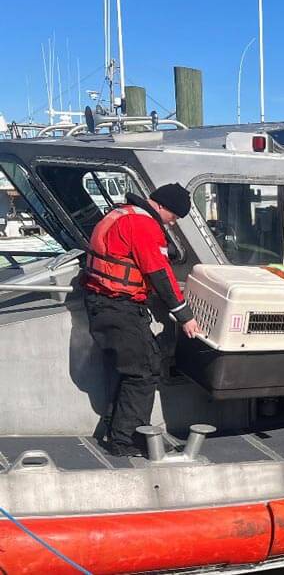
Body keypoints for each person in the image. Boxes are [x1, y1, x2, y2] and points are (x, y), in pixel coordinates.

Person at [84, 183, 202, 457]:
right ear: (162, 207)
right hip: (118, 307)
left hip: (104, 303)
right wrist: (184, 315)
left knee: (130, 370)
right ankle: (127, 441)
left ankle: (116, 431)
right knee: (145, 371)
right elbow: (159, 273)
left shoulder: (122, 214)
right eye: (174, 216)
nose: (174, 222)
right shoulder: (143, 224)